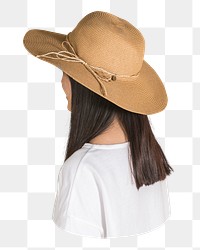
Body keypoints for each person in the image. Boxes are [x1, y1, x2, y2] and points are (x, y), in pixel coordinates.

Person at [23, 10, 174, 239]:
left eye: (65, 72)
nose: (62, 81)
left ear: (86, 89)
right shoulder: (149, 156)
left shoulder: (81, 170)